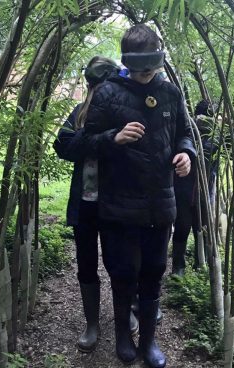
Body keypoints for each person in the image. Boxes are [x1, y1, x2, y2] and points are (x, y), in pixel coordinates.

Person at [83, 24, 196, 368]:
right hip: (119, 206)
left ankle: (148, 343)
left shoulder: (170, 93)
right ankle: (122, 336)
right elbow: (86, 143)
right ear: (128, 63)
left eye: (151, 69)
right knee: (122, 274)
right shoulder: (107, 94)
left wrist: (186, 154)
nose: (146, 76)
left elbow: (184, 133)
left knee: (153, 273)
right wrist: (114, 138)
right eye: (139, 69)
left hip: (160, 205)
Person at [53, 56, 138, 353]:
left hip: (117, 205)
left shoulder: (124, 113)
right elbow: (62, 145)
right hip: (85, 204)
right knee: (86, 264)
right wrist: (107, 139)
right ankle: (92, 323)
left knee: (120, 264)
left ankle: (124, 313)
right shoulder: (79, 114)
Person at [172, 99, 220, 276]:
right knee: (183, 226)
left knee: (204, 228)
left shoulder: (217, 133)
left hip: (205, 191)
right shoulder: (188, 130)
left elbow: (232, 150)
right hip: (184, 189)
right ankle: (179, 266)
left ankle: (202, 265)